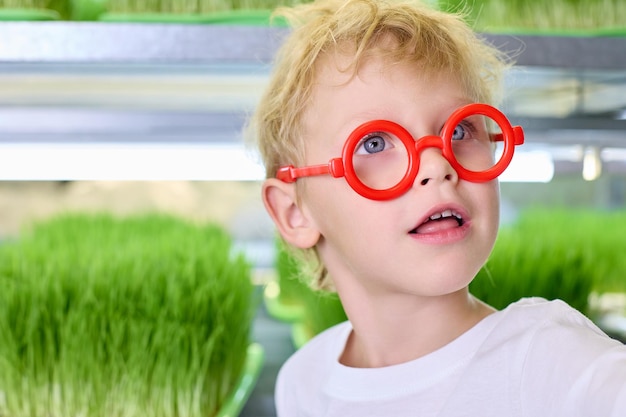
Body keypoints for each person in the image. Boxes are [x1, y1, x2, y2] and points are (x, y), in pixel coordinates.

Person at [248, 0, 626, 415]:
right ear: (293, 213)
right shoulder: (304, 380)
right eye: (374, 143)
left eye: (461, 129)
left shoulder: (551, 361)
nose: (437, 165)